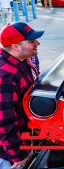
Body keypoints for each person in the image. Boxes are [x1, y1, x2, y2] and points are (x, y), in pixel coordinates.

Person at [0, 22, 44, 168]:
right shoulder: (4, 76)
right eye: (31, 41)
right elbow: (4, 123)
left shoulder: (24, 60)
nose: (37, 43)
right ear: (15, 46)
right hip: (9, 155)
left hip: (27, 140)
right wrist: (18, 156)